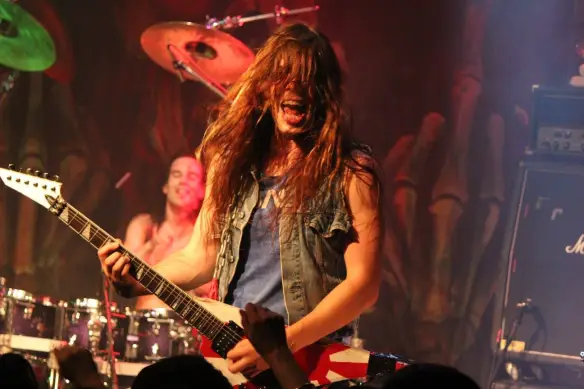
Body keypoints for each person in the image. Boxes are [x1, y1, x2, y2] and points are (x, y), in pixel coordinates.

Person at [98, 21, 382, 375]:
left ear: (325, 93)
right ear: (264, 87)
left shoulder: (351, 171)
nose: (296, 88)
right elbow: (200, 257)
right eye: (284, 75)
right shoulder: (232, 164)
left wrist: (279, 348)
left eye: (309, 79)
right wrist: (139, 277)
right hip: (234, 356)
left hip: (310, 363)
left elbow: (364, 285)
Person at [124, 154, 211, 309]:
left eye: (192, 176)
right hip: (140, 325)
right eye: (176, 174)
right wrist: (151, 245)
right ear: (165, 186)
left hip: (185, 328)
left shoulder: (205, 237)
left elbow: (211, 291)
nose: (183, 181)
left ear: (202, 191)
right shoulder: (143, 226)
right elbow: (123, 278)